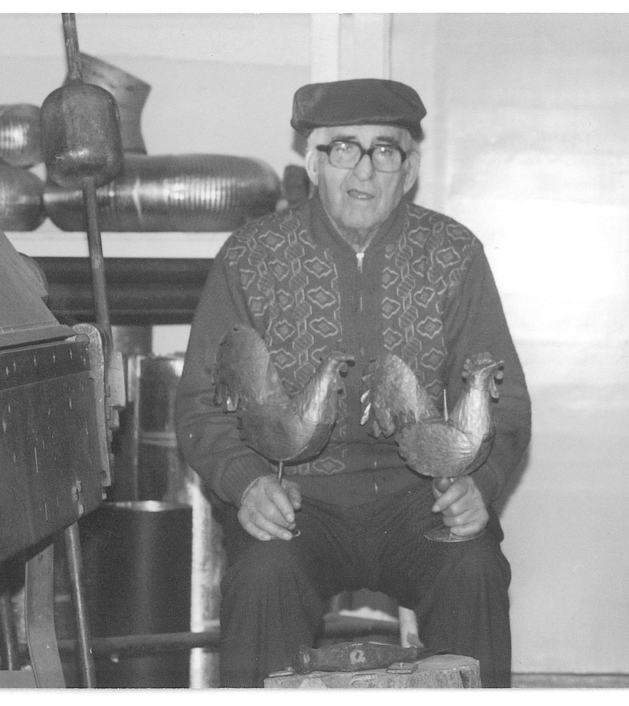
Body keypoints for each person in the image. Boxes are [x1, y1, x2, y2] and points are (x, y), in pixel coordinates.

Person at [174, 78, 531, 688]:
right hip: (298, 497)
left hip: (420, 497)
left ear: (409, 169)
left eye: (385, 150)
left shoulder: (454, 253)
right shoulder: (251, 257)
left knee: (474, 569)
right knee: (262, 577)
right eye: (344, 148)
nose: (364, 170)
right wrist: (247, 484)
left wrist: (481, 484)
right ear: (314, 163)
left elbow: (507, 401)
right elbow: (201, 406)